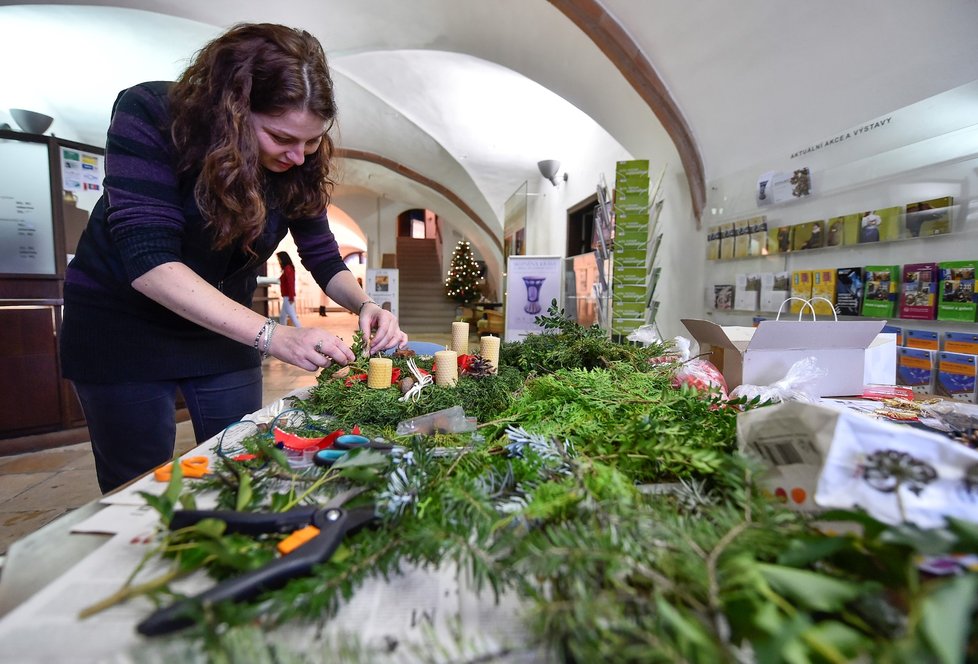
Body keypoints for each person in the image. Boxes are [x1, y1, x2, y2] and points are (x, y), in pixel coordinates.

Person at [60, 23, 408, 493]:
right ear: (234, 112)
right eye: (283, 138)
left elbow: (324, 257)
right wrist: (273, 335)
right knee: (139, 487)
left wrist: (365, 304)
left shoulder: (297, 165)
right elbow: (150, 262)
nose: (300, 156)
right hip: (122, 327)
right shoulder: (150, 114)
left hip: (222, 332)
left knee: (246, 462)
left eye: (311, 141)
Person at [276, 251, 301, 327]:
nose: (278, 261)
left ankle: (300, 330)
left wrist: (291, 297)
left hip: (288, 297)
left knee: (292, 316)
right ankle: (282, 331)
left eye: (279, 259)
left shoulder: (288, 268)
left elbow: (291, 283)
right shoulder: (288, 268)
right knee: (282, 317)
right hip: (287, 296)